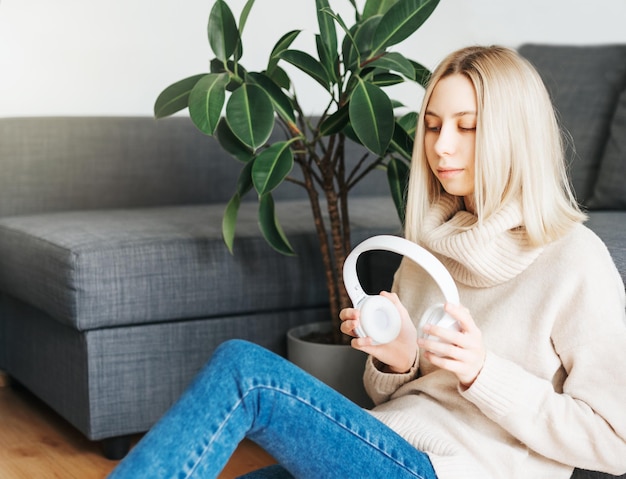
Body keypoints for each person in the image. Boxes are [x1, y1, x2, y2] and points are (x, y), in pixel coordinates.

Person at [107, 46, 626, 479]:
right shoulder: (427, 249)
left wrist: (483, 372)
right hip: (387, 446)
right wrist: (396, 362)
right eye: (432, 125)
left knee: (247, 372)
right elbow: (388, 400)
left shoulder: (573, 260)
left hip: (455, 470)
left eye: (466, 127)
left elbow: (616, 441)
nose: (441, 147)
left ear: (515, 137)